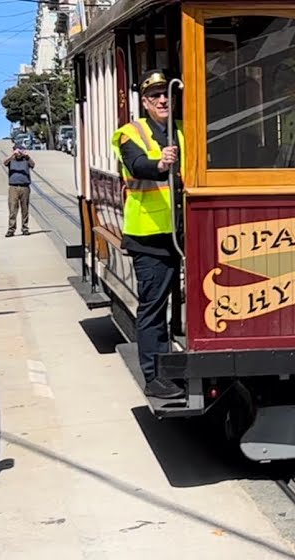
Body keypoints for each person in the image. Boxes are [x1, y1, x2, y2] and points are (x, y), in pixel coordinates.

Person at [112, 70, 187, 400]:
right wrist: (160, 164)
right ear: (144, 102)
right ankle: (154, 375)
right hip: (149, 235)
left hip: (181, 233)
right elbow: (137, 164)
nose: (162, 99)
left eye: (164, 94)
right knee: (154, 309)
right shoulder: (131, 133)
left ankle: (177, 365)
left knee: (182, 306)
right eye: (154, 95)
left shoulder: (182, 131)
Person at [3, 143, 34, 236]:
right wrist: (13, 155)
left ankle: (25, 228)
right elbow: (4, 162)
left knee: (25, 209)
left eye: (21, 150)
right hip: (13, 187)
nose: (19, 152)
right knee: (12, 209)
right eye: (17, 150)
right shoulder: (11, 160)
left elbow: (32, 165)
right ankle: (11, 229)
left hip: (25, 187)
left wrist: (27, 156)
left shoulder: (26, 159)